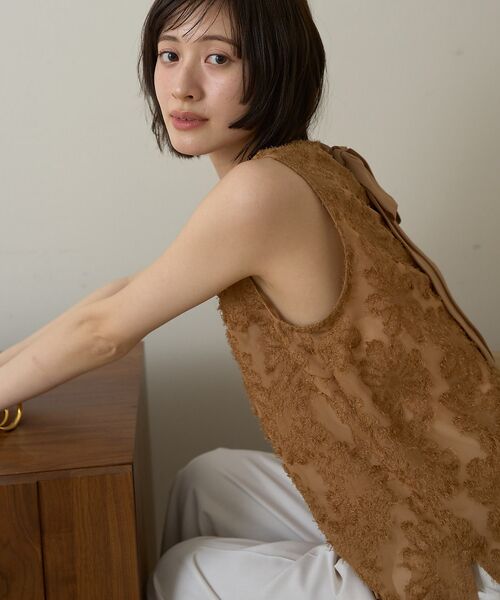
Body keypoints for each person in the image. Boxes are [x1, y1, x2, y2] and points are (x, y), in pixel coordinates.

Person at [1, 0, 499, 598]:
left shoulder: (260, 193)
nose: (182, 86)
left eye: (218, 59)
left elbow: (105, 334)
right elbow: (124, 298)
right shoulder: (316, 165)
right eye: (168, 54)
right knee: (206, 482)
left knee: (183, 572)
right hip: (429, 485)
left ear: (277, 66)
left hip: (465, 556)